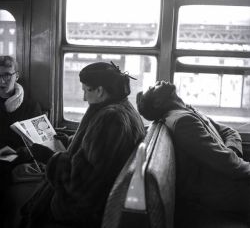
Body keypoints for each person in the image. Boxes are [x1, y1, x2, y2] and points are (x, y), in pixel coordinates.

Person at [20, 62, 145, 228]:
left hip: (84, 209)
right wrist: (69, 141)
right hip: (98, 197)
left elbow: (82, 184)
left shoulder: (110, 119)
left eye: (86, 90)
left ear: (99, 91)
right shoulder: (123, 109)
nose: (84, 97)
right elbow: (94, 150)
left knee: (33, 210)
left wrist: (50, 158)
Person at [136, 80, 250, 227]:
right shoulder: (182, 122)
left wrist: (231, 152)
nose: (158, 81)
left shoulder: (186, 111)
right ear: (158, 102)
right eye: (154, 88)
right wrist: (231, 158)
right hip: (219, 192)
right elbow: (225, 163)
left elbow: (230, 132)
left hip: (226, 175)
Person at [0, 55, 42, 227]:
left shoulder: (30, 106)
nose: (2, 81)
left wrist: (21, 151)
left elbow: (40, 139)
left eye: (7, 75)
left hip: (18, 154)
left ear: (16, 75)